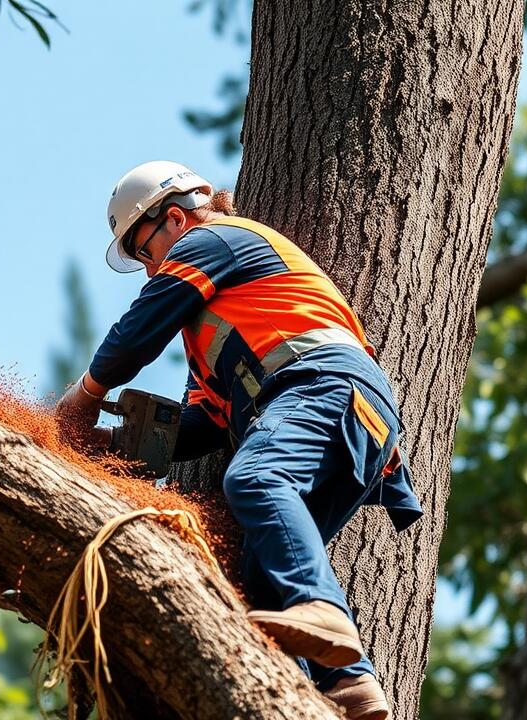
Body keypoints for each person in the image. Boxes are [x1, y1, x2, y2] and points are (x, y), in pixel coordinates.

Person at [55, 161, 423, 720]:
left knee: (255, 478)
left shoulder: (213, 241)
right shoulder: (216, 325)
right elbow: (204, 426)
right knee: (261, 579)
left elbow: (138, 332)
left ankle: (324, 611)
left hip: (322, 382)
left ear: (173, 217)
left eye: (146, 253)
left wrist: (82, 397)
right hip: (353, 423)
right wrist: (114, 445)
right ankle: (348, 691)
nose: (151, 270)